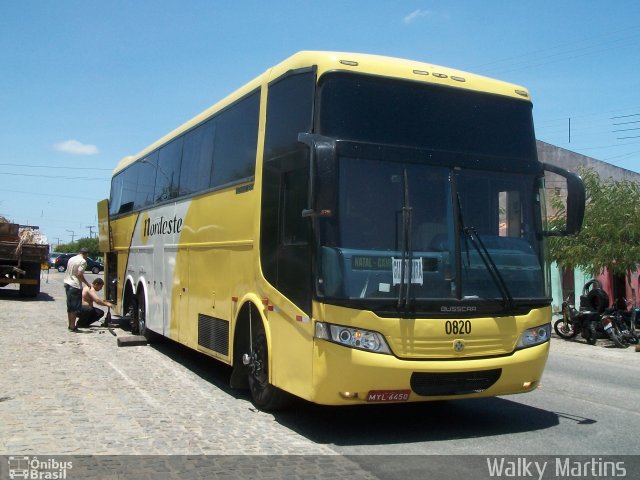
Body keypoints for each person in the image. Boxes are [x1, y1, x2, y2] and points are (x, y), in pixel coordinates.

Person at [63, 247, 92, 331]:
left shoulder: (72, 258)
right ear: (86, 254)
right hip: (75, 285)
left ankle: (70, 325)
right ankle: (73, 326)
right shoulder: (83, 261)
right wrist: (87, 283)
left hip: (67, 283)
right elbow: (79, 274)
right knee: (75, 308)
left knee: (70, 307)